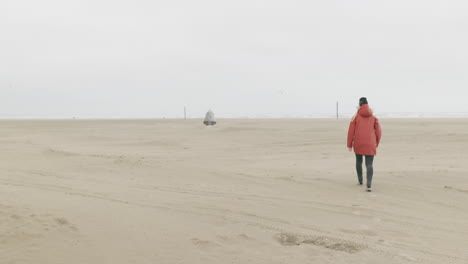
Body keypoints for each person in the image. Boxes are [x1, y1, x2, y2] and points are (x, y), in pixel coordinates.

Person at [347, 97, 382, 192]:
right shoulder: (373, 116)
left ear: (360, 105)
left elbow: (351, 131)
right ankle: (369, 185)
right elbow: (379, 131)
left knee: (359, 161)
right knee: (369, 163)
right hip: (370, 143)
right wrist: (376, 142)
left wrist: (349, 144)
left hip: (358, 142)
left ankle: (360, 181)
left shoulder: (355, 116)